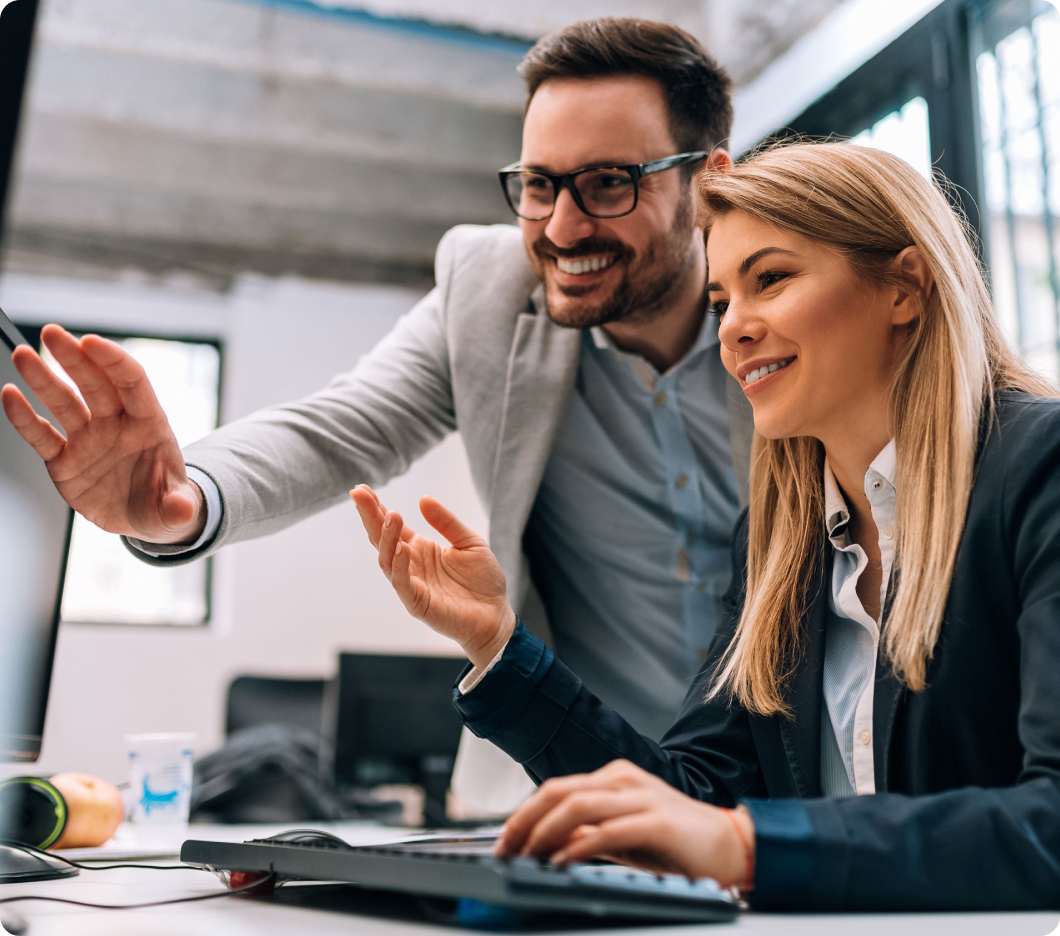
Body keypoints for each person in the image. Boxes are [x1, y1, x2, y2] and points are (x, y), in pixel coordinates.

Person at [0, 19, 752, 811]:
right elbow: (342, 426)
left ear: (707, 181)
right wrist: (185, 496)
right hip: (577, 788)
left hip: (792, 789)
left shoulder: (792, 311)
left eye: (608, 183)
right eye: (538, 185)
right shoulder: (491, 292)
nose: (562, 228)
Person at [349, 140, 1060, 910]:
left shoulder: (1039, 471)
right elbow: (690, 801)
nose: (734, 329)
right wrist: (498, 645)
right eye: (722, 302)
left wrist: (748, 847)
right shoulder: (779, 540)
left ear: (905, 287)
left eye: (772, 280)